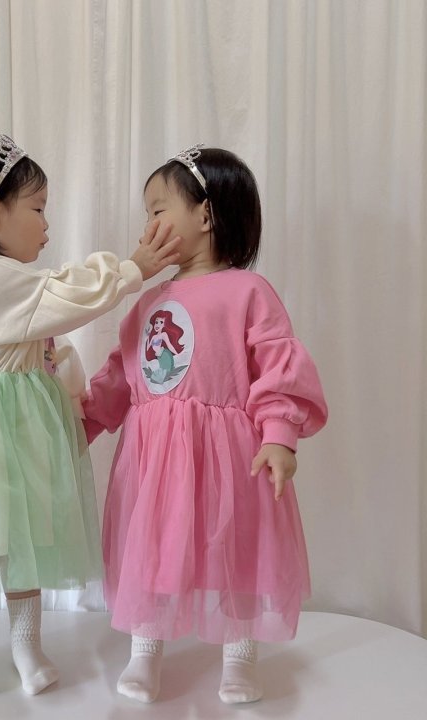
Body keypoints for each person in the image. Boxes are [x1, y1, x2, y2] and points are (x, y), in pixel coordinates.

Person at [0, 129, 181, 699]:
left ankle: (26, 644)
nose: (47, 225)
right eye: (38, 209)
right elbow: (65, 294)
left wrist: (69, 395)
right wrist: (133, 268)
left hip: (21, 427)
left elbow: (51, 348)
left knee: (27, 541)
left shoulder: (15, 287)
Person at [82, 145, 328, 705]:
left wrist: (280, 436)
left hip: (227, 457)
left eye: (157, 210)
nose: (146, 226)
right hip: (155, 459)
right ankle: (145, 650)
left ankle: (239, 659)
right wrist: (86, 418)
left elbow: (278, 366)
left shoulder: (248, 292)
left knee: (236, 551)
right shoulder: (148, 301)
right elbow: (123, 372)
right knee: (152, 549)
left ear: (206, 214)